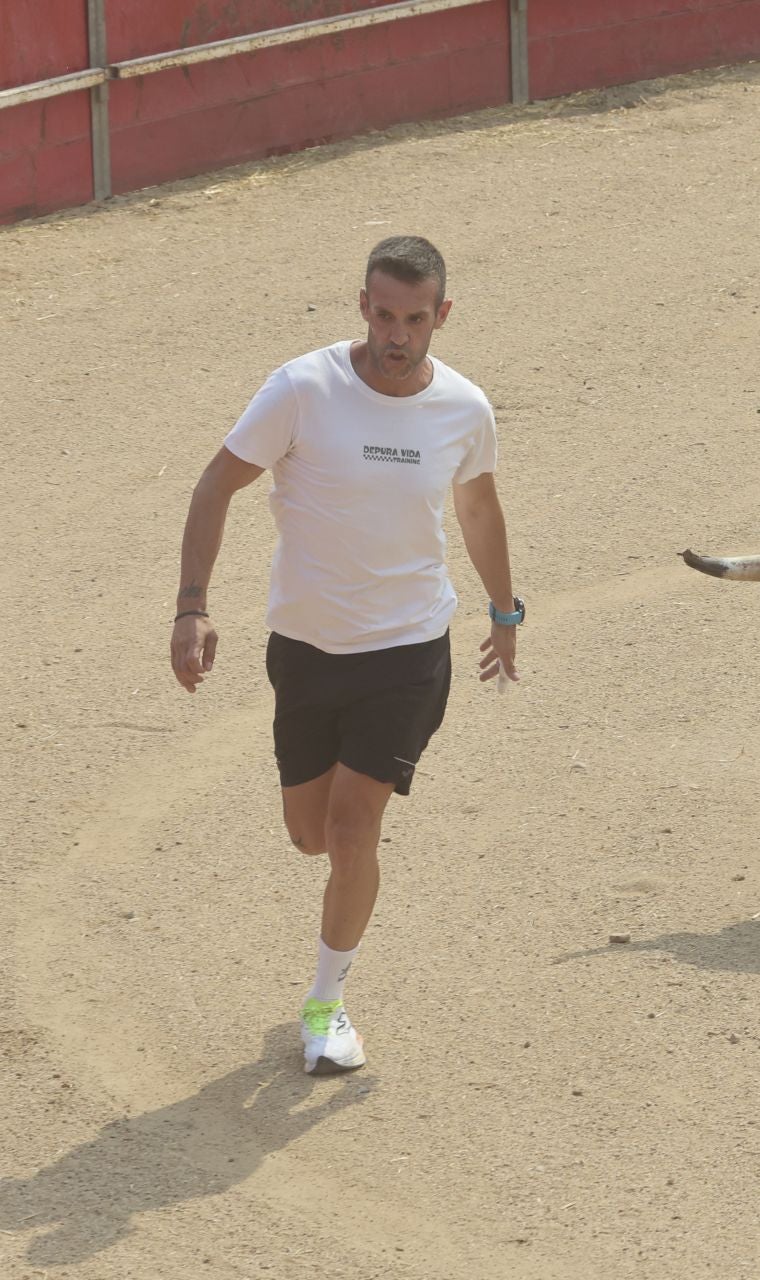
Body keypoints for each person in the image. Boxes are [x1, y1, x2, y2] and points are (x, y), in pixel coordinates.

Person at [168, 235, 522, 1074]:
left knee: (354, 827)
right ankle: (339, 916)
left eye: (415, 318)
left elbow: (478, 512)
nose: (397, 335)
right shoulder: (302, 389)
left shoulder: (464, 408)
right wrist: (192, 608)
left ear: (442, 315)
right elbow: (216, 485)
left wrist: (505, 611)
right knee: (310, 835)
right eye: (384, 314)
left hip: (407, 651)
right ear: (362, 306)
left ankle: (326, 1007)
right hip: (306, 649)